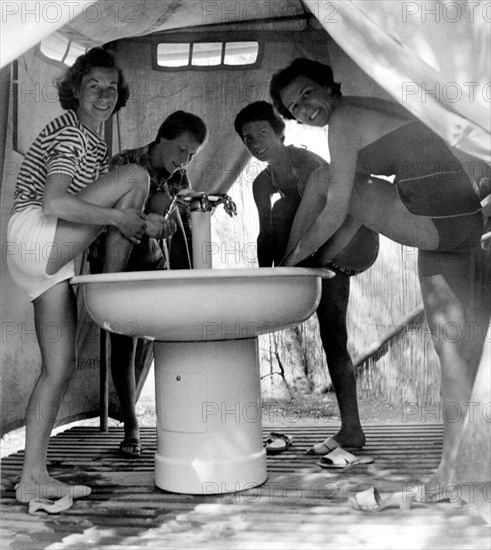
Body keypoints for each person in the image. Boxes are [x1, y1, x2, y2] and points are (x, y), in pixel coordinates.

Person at [270, 58, 487, 503]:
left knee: (330, 182)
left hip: (435, 214)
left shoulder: (344, 120)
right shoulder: (366, 106)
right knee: (455, 357)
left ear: (327, 86)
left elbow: (335, 207)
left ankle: (290, 275)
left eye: (307, 94)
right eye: (294, 107)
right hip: (452, 221)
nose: (304, 108)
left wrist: (296, 257)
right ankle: (457, 471)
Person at [6, 47, 152, 503]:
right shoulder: (74, 133)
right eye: (94, 86)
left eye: (112, 87)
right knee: (135, 177)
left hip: (38, 252)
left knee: (60, 367)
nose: (105, 94)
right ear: (76, 91)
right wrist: (121, 220)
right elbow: (55, 203)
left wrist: (138, 223)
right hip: (38, 230)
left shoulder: (92, 140)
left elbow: (85, 210)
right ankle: (108, 294)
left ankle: (32, 476)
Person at [234, 101, 380, 453]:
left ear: (281, 132)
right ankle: (352, 430)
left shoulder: (309, 163)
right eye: (248, 139)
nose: (256, 143)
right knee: (333, 339)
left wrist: (289, 263)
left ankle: (351, 429)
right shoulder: (261, 184)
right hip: (313, 257)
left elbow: (342, 204)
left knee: (285, 207)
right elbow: (265, 237)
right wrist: (264, 280)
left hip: (351, 240)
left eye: (262, 133)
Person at [88, 111, 208, 458]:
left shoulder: (179, 175)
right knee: (123, 345)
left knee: (171, 337)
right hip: (113, 264)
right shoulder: (124, 163)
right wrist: (149, 221)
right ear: (161, 138)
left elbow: (183, 220)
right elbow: (108, 217)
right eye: (182, 150)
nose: (184, 159)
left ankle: (181, 421)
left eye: (191, 155)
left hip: (151, 264)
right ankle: (131, 427)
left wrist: (170, 225)